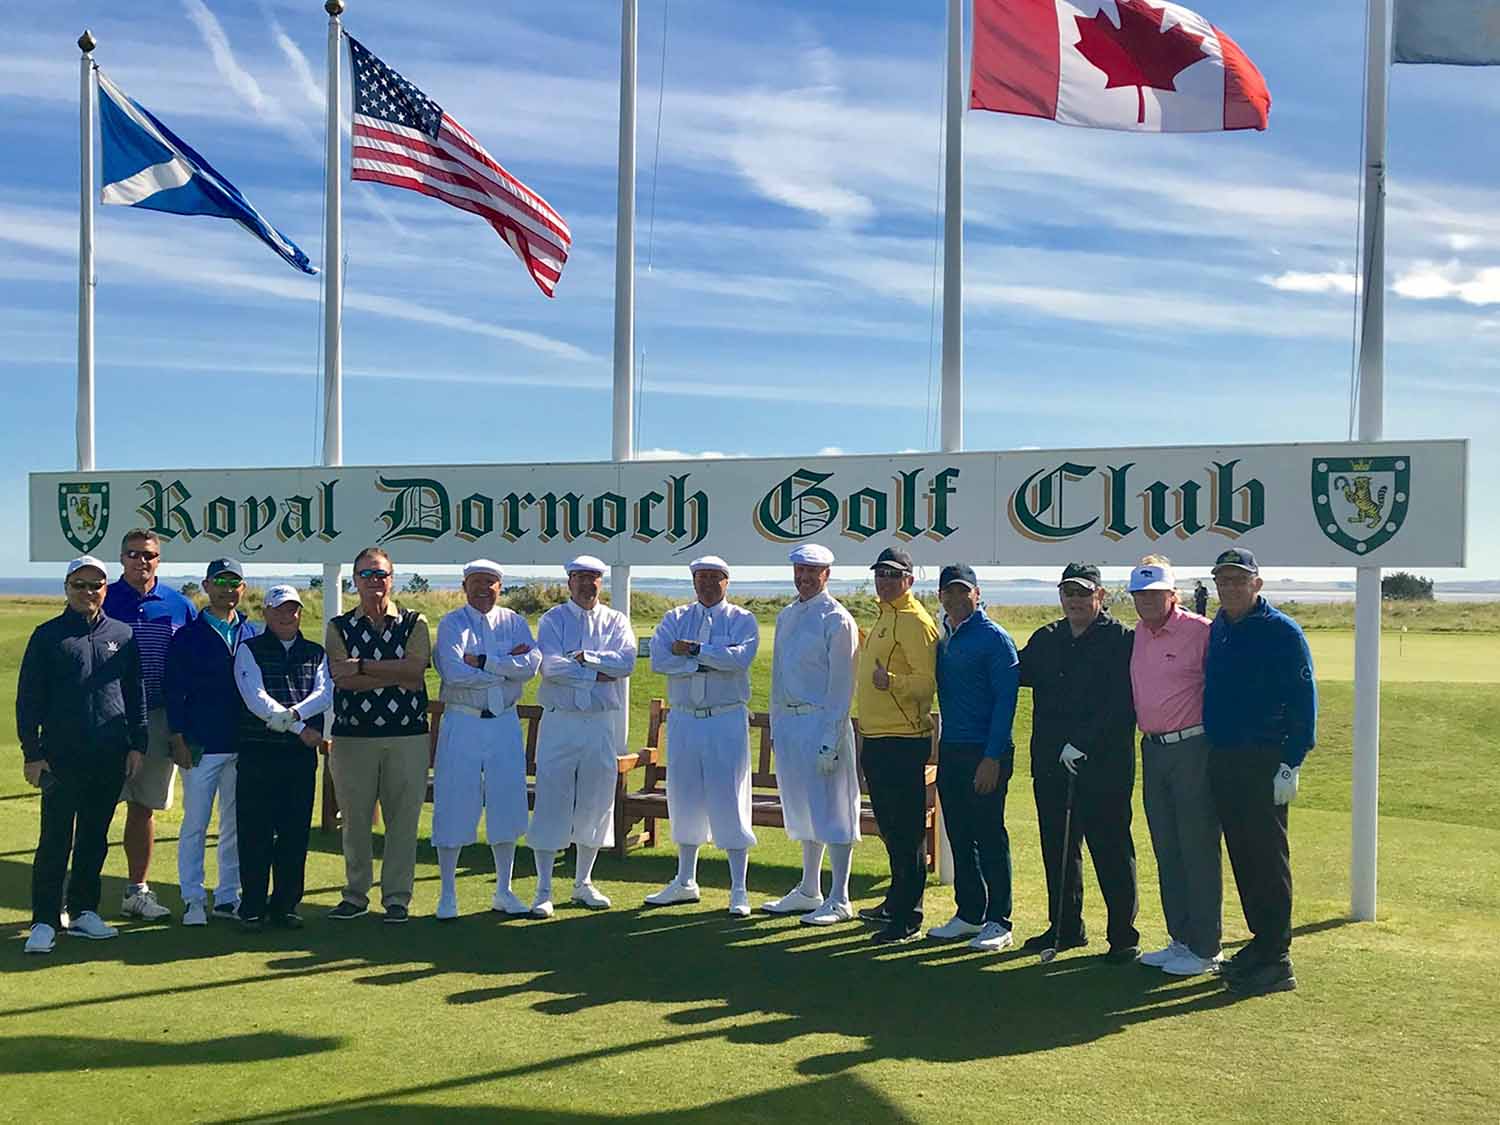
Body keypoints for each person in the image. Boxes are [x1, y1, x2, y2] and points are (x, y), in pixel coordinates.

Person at [18, 556, 147, 952]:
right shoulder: (47, 636)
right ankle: (44, 918)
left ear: (105, 589)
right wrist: (32, 753)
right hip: (60, 756)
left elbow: (134, 694)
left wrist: (137, 744)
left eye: (95, 585)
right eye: (80, 585)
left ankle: (83, 911)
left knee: (94, 837)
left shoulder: (122, 635)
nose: (88, 592)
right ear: (67, 587)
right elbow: (29, 700)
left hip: (109, 753)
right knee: (55, 839)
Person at [1204, 547, 1317, 996]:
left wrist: (1291, 762)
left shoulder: (1282, 632)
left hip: (1265, 758)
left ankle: (1278, 956)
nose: (1230, 587)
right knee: (1243, 853)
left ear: (1257, 584)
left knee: (1268, 858)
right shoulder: (1220, 628)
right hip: (1225, 757)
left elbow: (1304, 705)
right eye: (1223, 580)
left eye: (1238, 579)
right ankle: (1261, 941)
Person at [1018, 563, 1139, 962]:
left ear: (1100, 596)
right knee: (1059, 848)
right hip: (1052, 764)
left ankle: (1123, 936)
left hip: (1104, 766)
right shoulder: (1047, 638)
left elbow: (1123, 703)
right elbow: (1014, 671)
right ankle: (1066, 926)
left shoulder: (1121, 639)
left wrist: (1083, 743)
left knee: (1112, 850)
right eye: (1068, 593)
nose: (1075, 600)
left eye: (1083, 593)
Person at [646, 555, 760, 916]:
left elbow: (739, 660)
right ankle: (685, 881)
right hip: (684, 719)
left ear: (727, 581)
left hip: (725, 718)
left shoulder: (742, 620)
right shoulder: (675, 618)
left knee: (729, 795)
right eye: (701, 577)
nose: (708, 583)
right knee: (684, 794)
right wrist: (710, 661)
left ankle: (738, 888)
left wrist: (694, 651)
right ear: (693, 581)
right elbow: (659, 661)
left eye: (715, 577)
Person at [324, 547, 432, 924]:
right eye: (367, 575)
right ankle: (355, 895)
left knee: (402, 820)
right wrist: (394, 673)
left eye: (381, 575)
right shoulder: (338, 627)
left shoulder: (414, 623)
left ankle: (397, 898)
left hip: (408, 737)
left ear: (392, 578)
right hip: (353, 738)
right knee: (354, 820)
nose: (375, 582)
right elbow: (342, 679)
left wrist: (365, 666)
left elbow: (416, 672)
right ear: (355, 581)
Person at [431, 559, 541, 920]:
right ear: (465, 586)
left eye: (491, 583)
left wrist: (484, 662)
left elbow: (532, 664)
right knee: (454, 799)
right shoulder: (452, 624)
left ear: (500, 587)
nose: (484, 589)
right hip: (463, 723)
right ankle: (448, 894)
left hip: (504, 723)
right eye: (476, 582)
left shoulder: (513, 622)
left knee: (507, 801)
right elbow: (452, 671)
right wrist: (504, 669)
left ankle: (504, 890)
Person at [1128, 556, 1221, 976]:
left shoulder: (1199, 632)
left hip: (1192, 748)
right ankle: (1180, 938)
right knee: (1167, 846)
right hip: (1154, 749)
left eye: (1155, 594)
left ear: (1172, 595)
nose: (1147, 602)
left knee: (1197, 847)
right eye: (1140, 595)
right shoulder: (1138, 636)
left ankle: (1206, 947)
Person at [530, 556, 637, 916]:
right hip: (560, 720)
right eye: (580, 578)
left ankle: (583, 883)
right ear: (569, 582)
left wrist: (583, 659)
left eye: (593, 578)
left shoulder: (616, 620)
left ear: (600, 583)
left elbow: (625, 664)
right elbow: (549, 666)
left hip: (599, 722)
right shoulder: (553, 619)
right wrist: (596, 670)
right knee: (552, 798)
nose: (587, 585)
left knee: (595, 798)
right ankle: (543, 887)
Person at [763, 544, 860, 926]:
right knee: (803, 808)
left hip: (822, 723)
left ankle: (840, 897)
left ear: (827, 575)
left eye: (812, 571)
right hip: (790, 725)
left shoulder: (837, 619)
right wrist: (776, 726)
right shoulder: (788, 615)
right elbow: (778, 677)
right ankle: (809, 889)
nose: (804, 577)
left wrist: (831, 738)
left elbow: (842, 686)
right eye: (799, 570)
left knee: (833, 808)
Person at [103, 528, 196, 922]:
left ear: (159, 559)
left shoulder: (178, 605)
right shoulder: (102, 596)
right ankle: (75, 894)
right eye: (134, 554)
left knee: (144, 806)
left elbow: (193, 665)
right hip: (108, 716)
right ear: (122, 558)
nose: (142, 561)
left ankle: (136, 891)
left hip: (158, 718)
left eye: (149, 555)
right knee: (93, 804)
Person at [928, 564, 1021, 953]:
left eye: (963, 591)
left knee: (989, 835)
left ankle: (1000, 920)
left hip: (987, 749)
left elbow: (1006, 701)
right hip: (953, 747)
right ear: (940, 596)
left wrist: (992, 756)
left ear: (977, 594)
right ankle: (969, 913)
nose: (955, 597)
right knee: (960, 835)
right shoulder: (944, 635)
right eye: (948, 591)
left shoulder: (994, 638)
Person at [164, 557, 258, 926]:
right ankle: (192, 898)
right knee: (195, 825)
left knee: (234, 824)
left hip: (243, 744)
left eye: (233, 581)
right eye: (219, 581)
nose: (226, 588)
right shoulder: (188, 635)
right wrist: (177, 737)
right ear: (206, 586)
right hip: (201, 745)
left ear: (242, 588)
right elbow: (174, 691)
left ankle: (226, 896)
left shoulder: (252, 633)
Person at [233, 585, 331, 931]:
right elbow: (255, 699)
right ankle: (252, 907)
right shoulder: (249, 649)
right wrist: (299, 727)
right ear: (267, 614)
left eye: (293, 609)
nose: (287, 616)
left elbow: (324, 693)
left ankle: (286, 906)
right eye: (279, 610)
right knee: (255, 832)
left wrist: (292, 718)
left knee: (294, 834)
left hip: (299, 758)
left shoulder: (315, 652)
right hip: (259, 753)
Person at [855, 546, 940, 945]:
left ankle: (908, 917)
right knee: (890, 829)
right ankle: (895, 902)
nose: (884, 580)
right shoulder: (885, 616)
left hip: (903, 740)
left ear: (909, 579)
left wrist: (892, 682)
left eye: (893, 574)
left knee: (907, 833)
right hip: (877, 737)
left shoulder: (914, 621)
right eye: (880, 574)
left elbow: (926, 684)